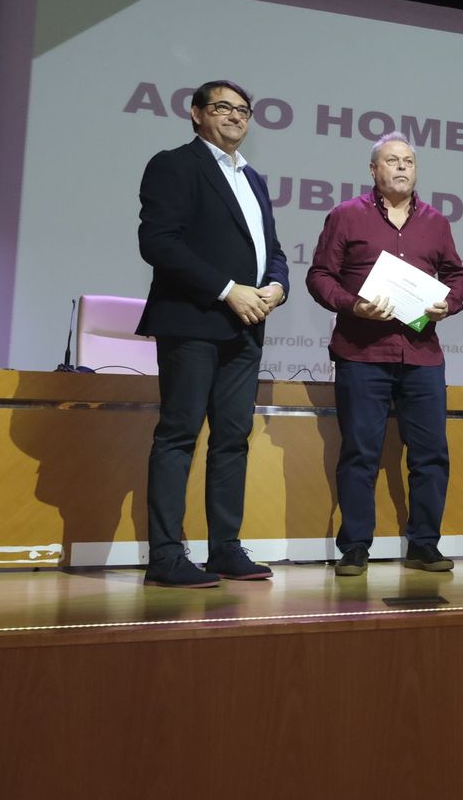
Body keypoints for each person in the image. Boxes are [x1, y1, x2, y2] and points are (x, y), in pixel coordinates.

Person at [137, 79, 288, 588]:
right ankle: (165, 556)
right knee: (179, 435)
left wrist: (277, 287)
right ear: (197, 113)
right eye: (223, 107)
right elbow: (158, 242)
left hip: (247, 327)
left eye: (243, 109)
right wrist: (227, 290)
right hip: (192, 321)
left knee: (232, 439)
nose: (235, 116)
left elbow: (273, 250)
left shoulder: (254, 178)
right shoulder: (174, 165)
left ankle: (224, 548)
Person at [306, 132, 463, 576]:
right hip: (362, 353)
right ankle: (355, 546)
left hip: (421, 355)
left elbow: (458, 276)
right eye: (392, 160)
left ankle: (424, 544)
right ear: (373, 170)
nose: (401, 167)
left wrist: (449, 302)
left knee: (431, 454)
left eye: (409, 161)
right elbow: (320, 276)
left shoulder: (436, 222)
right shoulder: (346, 215)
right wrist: (353, 304)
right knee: (360, 452)